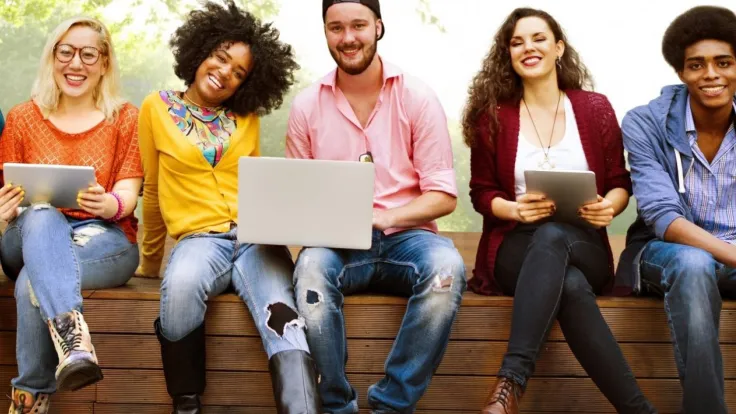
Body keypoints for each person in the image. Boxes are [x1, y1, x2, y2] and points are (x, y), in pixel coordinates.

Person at [462, 8, 656, 414]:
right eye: (517, 42)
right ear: (508, 54)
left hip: (586, 245)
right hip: (515, 247)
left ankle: (509, 386)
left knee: (557, 242)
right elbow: (481, 193)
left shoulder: (595, 109)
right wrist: (514, 210)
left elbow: (621, 183)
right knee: (567, 283)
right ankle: (639, 410)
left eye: (538, 38)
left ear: (558, 48)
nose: (528, 48)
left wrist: (609, 207)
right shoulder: (494, 115)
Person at [135, 1, 317, 413]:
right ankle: (186, 405)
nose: (225, 74)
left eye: (239, 73)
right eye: (221, 58)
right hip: (200, 240)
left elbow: (257, 185)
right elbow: (151, 188)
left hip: (256, 239)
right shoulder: (155, 107)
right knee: (180, 287)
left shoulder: (247, 117)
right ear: (201, 51)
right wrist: (149, 260)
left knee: (284, 318)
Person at [286, 1, 467, 412]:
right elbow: (296, 196)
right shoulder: (306, 106)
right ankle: (336, 405)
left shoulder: (418, 97)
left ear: (378, 27)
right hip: (338, 246)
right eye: (336, 28)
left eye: (358, 26)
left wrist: (386, 216)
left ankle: (393, 404)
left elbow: (443, 195)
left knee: (447, 269)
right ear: (326, 32)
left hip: (409, 241)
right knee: (311, 269)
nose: (348, 38)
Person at [0, 16, 142, 414]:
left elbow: (128, 194)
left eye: (87, 54)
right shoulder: (22, 118)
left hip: (102, 238)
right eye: (65, 52)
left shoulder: (125, 118)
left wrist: (110, 204)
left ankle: (30, 400)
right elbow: (8, 198)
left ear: (104, 64)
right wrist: (4, 211)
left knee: (37, 276)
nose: (75, 63)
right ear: (52, 57)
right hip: (26, 233)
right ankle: (74, 341)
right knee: (43, 213)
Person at [618, 6, 736, 414]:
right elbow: (663, 216)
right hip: (667, 253)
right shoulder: (644, 123)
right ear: (681, 72)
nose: (711, 75)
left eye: (724, 63)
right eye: (696, 65)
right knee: (692, 263)